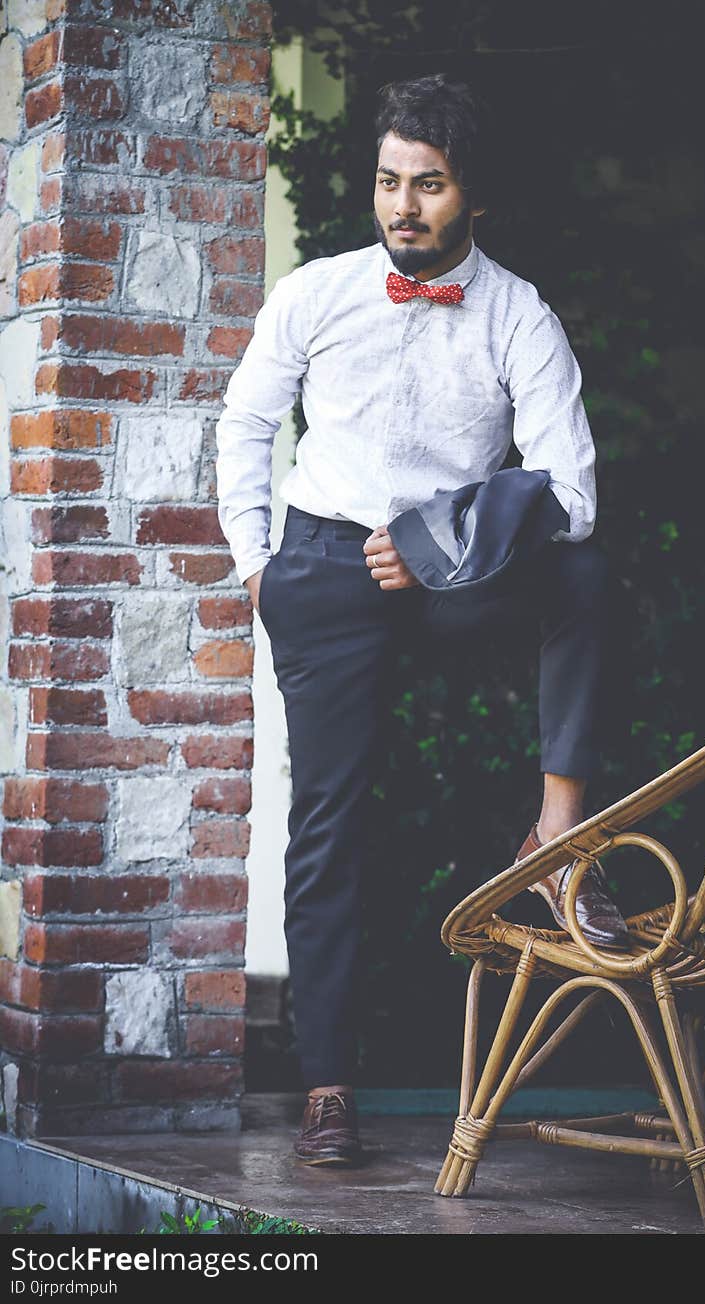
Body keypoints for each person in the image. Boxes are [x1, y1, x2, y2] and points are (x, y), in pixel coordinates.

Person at [214, 72, 628, 1168]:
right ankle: (328, 1085)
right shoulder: (319, 291)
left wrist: (447, 529)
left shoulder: (517, 315)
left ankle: (555, 845)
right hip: (323, 563)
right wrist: (257, 563)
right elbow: (246, 421)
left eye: (429, 185)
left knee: (582, 576)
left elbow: (571, 492)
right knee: (330, 825)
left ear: (471, 196)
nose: (403, 205)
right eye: (391, 181)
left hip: (454, 577)